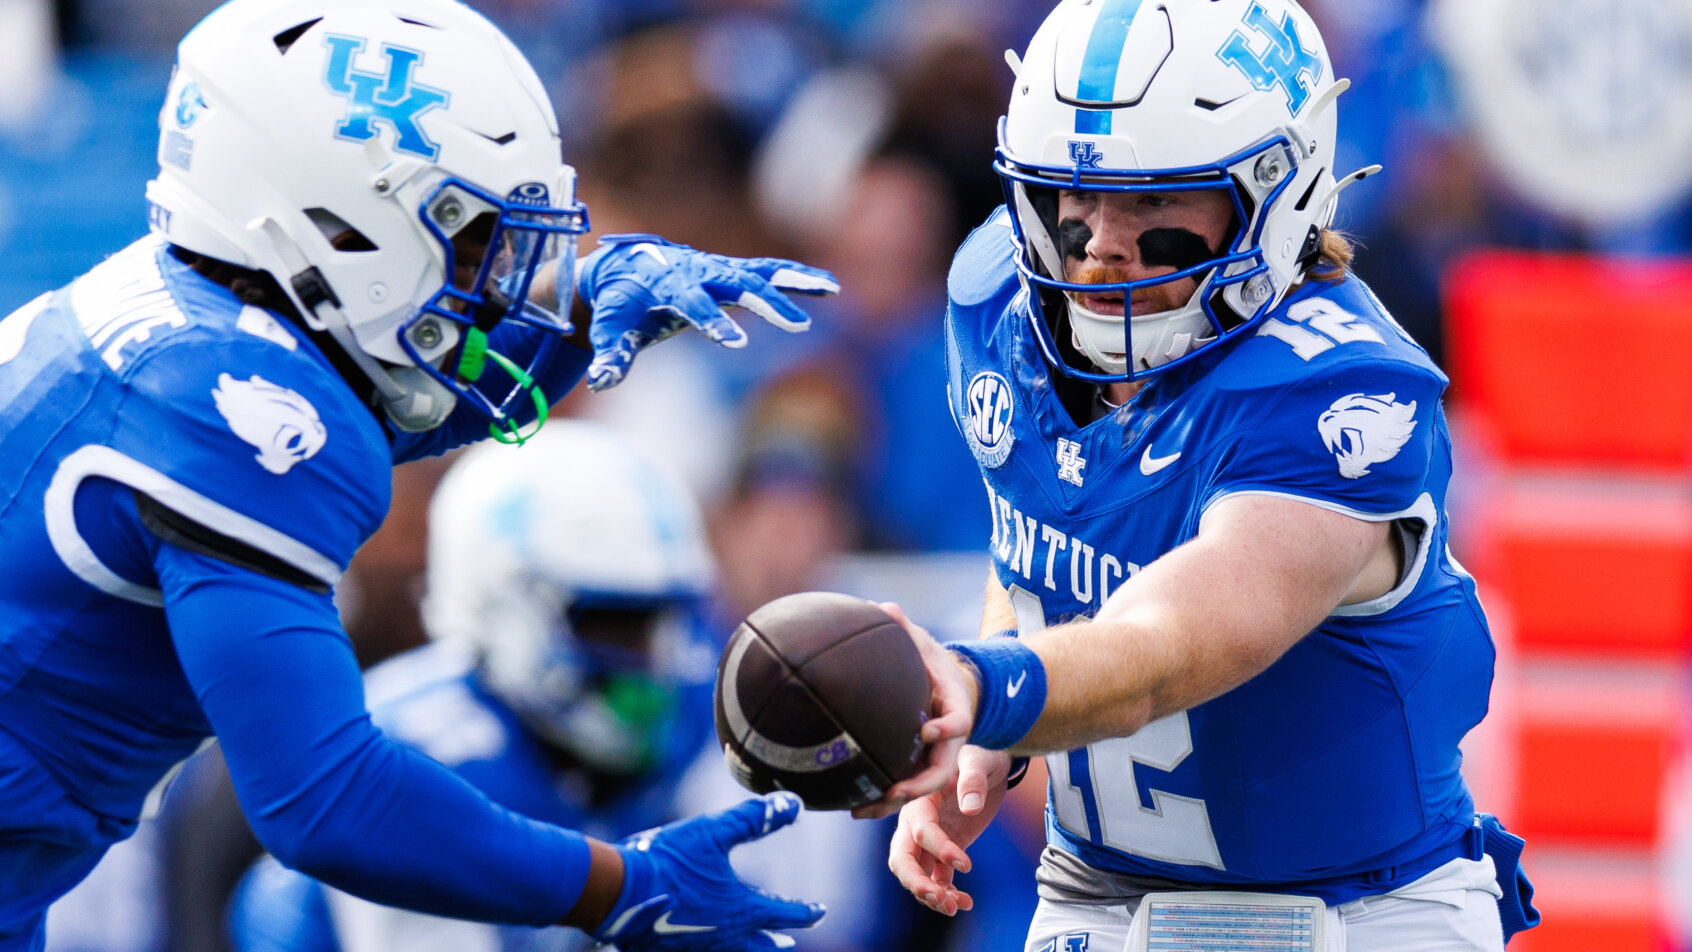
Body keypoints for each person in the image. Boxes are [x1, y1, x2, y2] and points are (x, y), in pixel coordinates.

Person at [0, 0, 839, 948]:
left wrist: (584, 302)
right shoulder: (230, 401)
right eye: (472, 234)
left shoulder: (201, 315)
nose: (501, 278)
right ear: (334, 223)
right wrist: (620, 885)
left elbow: (390, 401)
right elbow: (326, 801)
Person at [860, 1, 1541, 949]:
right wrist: (995, 741)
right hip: (1092, 894)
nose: (1100, 242)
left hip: (1358, 914)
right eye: (1076, 197)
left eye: (1153, 202)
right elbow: (1043, 534)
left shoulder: (1339, 392)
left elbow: (1168, 646)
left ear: (1274, 192)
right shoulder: (1001, 301)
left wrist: (988, 686)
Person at [227, 421, 721, 952]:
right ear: (503, 605)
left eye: (655, 625)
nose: (647, 664)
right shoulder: (412, 754)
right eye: (610, 624)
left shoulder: (690, 722)